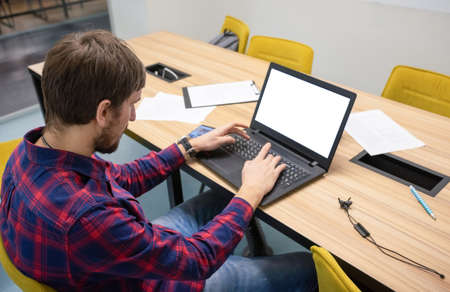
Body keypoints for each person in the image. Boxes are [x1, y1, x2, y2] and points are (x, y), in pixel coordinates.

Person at [0, 30, 317, 292]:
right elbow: (196, 260)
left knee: (226, 191)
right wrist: (250, 193)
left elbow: (118, 178)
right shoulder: (89, 219)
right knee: (308, 268)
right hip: (158, 280)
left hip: (118, 256)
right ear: (104, 112)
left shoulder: (27, 154)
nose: (133, 116)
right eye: (131, 105)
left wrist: (186, 147)